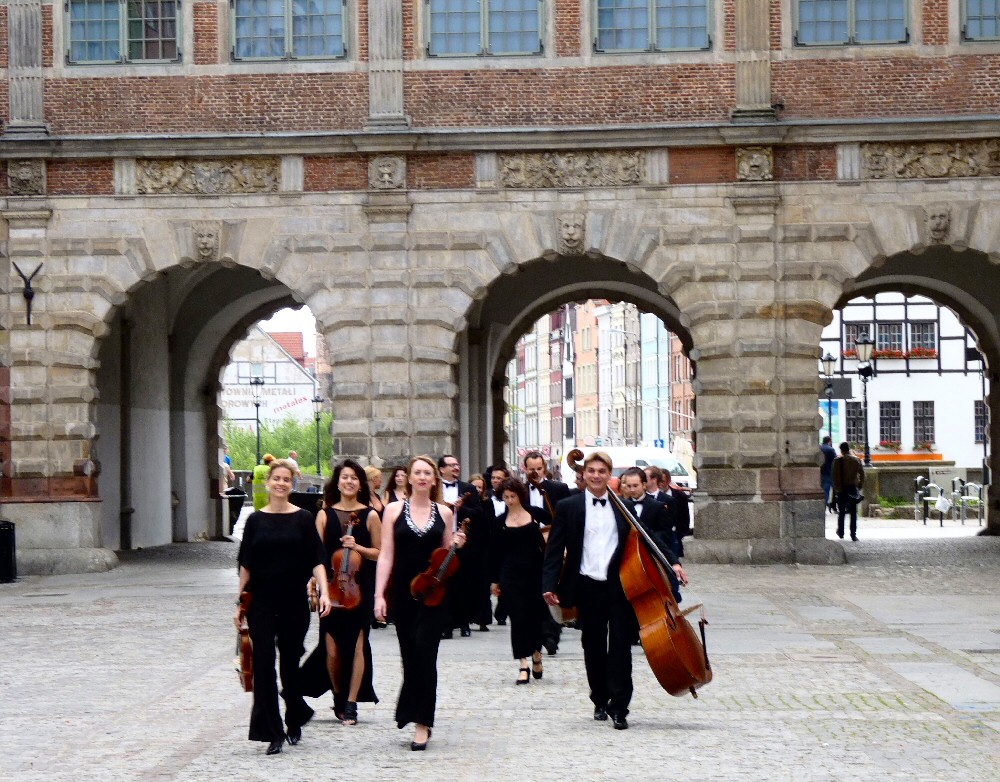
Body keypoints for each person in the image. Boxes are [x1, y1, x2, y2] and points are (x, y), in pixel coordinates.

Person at [543, 451, 687, 731]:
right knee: (593, 645)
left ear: (610, 476)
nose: (596, 476)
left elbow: (648, 536)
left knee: (621, 646)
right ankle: (599, 698)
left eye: (602, 471)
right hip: (586, 584)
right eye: (591, 471)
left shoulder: (623, 506)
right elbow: (555, 549)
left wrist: (673, 562)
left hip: (620, 584)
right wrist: (549, 585)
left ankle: (620, 707)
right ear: (584, 474)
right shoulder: (568, 506)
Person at [233, 459, 331, 755]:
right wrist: (239, 602)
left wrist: (324, 592)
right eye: (276, 478)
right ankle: (272, 731)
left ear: (292, 484)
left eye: (286, 479)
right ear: (267, 482)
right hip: (261, 599)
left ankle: (295, 715)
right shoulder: (255, 521)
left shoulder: (303, 518)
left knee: (289, 664)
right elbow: (246, 563)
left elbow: (317, 559)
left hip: (293, 600)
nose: (280, 483)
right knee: (263, 663)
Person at [374, 456, 466, 751]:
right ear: (409, 478)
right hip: (403, 593)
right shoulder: (392, 510)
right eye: (418, 472)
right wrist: (379, 594)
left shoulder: (445, 512)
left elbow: (446, 556)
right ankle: (410, 709)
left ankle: (422, 723)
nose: (423, 477)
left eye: (428, 472)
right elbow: (386, 555)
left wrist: (456, 546)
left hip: (434, 594)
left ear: (434, 479)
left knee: (426, 654)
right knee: (410, 656)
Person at [315, 460, 381, 724]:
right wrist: (315, 584)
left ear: (360, 484)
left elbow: (379, 553)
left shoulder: (371, 515)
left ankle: (351, 703)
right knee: (331, 652)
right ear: (338, 482)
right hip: (330, 590)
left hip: (359, 589)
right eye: (345, 477)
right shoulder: (324, 515)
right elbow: (316, 555)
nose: (349, 481)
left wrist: (358, 548)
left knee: (357, 647)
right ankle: (338, 694)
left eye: (354, 477)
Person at [490, 477, 548, 685]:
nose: (509, 500)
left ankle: (536, 653)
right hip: (510, 574)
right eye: (505, 497)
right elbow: (495, 552)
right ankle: (523, 664)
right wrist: (495, 580)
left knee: (535, 616)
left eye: (512, 496)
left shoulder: (535, 514)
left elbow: (557, 523)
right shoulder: (499, 522)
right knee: (517, 618)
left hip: (535, 572)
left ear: (520, 496)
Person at [437, 454, 489, 636]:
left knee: (463, 584)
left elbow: (478, 513)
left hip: (463, 541)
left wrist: (462, 509)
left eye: (457, 464)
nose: (456, 467)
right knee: (444, 583)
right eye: (451, 465)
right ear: (442, 469)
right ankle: (446, 625)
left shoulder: (468, 489)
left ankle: (464, 622)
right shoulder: (435, 488)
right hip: (441, 541)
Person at [832, 442, 865, 541]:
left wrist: (835, 491)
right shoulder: (856, 460)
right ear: (848, 448)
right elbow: (862, 474)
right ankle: (853, 534)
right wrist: (859, 485)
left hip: (842, 489)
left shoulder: (837, 461)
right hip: (853, 488)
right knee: (853, 512)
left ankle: (841, 532)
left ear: (841, 450)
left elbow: (835, 477)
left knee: (841, 512)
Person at [820, 436, 837, 513]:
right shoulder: (831, 449)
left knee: (825, 491)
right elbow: (835, 460)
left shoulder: (819, 448)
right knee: (836, 490)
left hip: (821, 473)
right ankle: (833, 506)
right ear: (829, 441)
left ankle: (823, 508)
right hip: (830, 473)